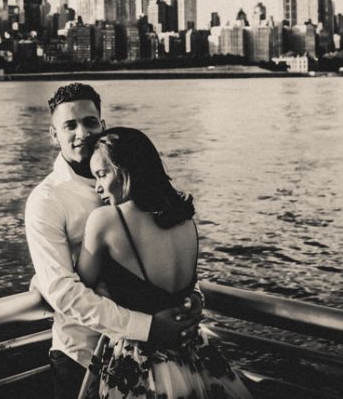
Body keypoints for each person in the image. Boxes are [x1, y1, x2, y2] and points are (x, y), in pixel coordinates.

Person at [26, 84, 205, 399]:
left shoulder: (138, 189)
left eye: (90, 121)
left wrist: (190, 298)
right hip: (82, 354)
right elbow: (63, 291)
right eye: (69, 125)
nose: (82, 131)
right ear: (54, 135)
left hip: (151, 353)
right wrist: (148, 326)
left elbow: (160, 251)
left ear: (102, 125)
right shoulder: (46, 200)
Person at [75, 127, 252, 398]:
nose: (97, 187)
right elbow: (186, 287)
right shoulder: (185, 220)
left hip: (141, 362)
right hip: (195, 355)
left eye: (101, 174)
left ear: (125, 171)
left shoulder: (107, 220)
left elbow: (80, 286)